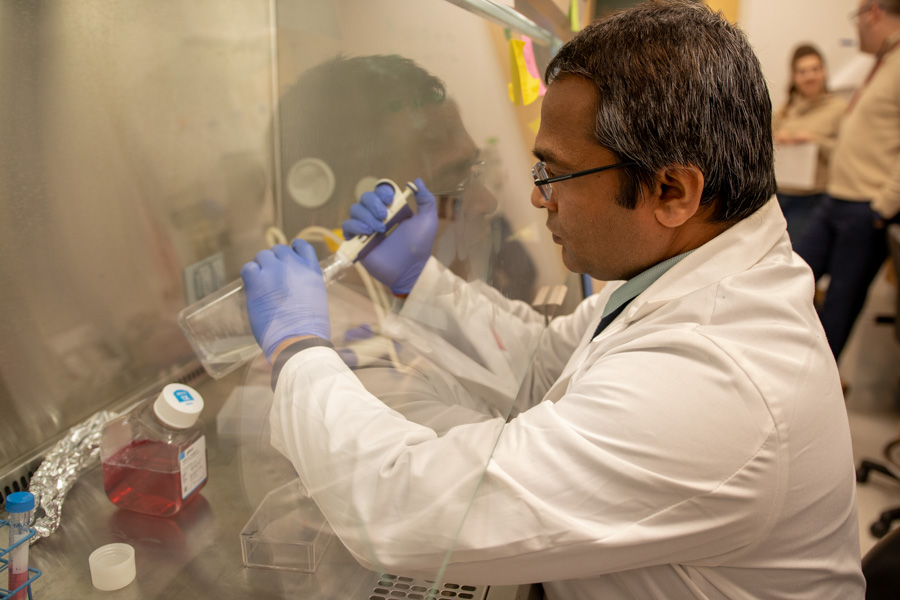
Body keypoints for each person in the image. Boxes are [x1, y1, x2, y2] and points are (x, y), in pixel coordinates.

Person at [241, 2, 864, 598]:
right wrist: (418, 283)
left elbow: (408, 507)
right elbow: (546, 363)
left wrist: (298, 348)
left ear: (672, 191)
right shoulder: (690, 274)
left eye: (555, 173)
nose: (537, 198)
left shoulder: (717, 376)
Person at [277, 54, 536, 303]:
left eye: (473, 170)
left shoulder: (443, 297)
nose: (488, 202)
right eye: (450, 179)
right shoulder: (343, 331)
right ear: (343, 218)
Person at [794, 0, 900, 360]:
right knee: (792, 276)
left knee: (838, 308)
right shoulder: (883, 63)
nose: (856, 27)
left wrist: (883, 206)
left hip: (864, 209)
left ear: (873, 13)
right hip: (835, 199)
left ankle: (813, 379)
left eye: (857, 18)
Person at [772, 44, 846, 241]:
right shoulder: (784, 110)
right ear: (794, 77)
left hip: (813, 198)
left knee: (798, 250)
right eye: (802, 71)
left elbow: (847, 155)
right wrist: (779, 140)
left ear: (824, 72)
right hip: (778, 196)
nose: (809, 76)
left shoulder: (839, 109)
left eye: (815, 69)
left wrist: (815, 141)